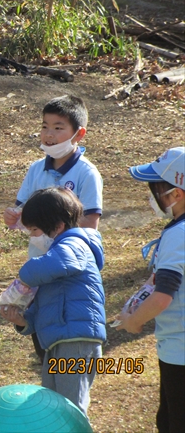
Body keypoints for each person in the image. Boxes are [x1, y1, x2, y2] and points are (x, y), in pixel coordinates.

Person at [3, 95, 103, 362]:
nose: (49, 134)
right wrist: (14, 217)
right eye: (45, 126)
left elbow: (90, 225)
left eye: (58, 128)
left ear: (78, 134)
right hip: (41, 263)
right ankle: (51, 378)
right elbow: (24, 213)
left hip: (71, 265)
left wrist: (60, 235)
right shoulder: (37, 169)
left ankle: (68, 383)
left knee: (67, 320)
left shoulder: (86, 173)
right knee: (43, 327)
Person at [0, 187, 106, 418]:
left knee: (71, 410)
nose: (32, 237)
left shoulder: (75, 244)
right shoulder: (55, 258)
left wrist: (25, 273)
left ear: (57, 226)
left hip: (76, 341)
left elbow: (61, 263)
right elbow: (43, 304)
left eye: (35, 230)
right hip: (58, 340)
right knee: (54, 406)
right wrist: (23, 320)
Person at [116, 147, 184, 433]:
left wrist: (135, 321)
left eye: (154, 189)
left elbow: (163, 295)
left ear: (176, 194)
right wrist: (131, 305)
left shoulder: (177, 235)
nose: (150, 196)